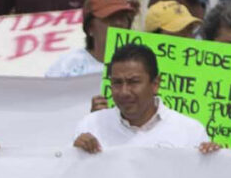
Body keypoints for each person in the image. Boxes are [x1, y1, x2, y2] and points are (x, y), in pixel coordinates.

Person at [72, 38, 212, 160]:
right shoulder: (90, 126)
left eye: (133, 82)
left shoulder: (190, 132)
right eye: (117, 83)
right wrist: (76, 154)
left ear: (155, 84)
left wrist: (214, 159)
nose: (124, 92)